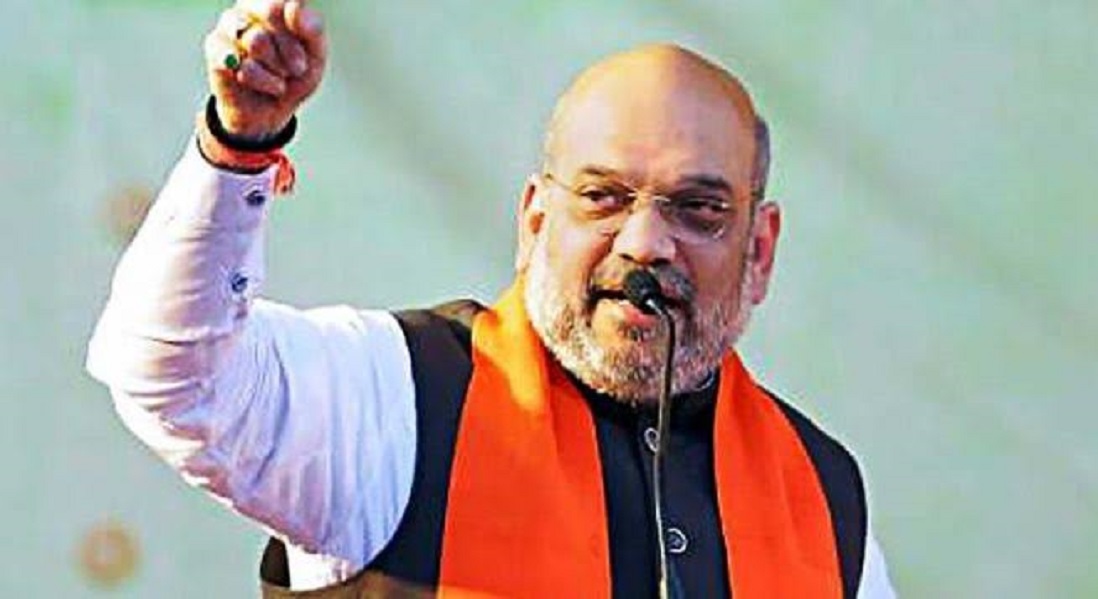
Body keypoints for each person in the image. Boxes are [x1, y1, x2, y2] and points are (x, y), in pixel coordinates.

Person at [86, 0, 896, 596]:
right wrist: (238, 147)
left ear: (759, 250)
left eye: (698, 209)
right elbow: (171, 376)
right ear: (535, 220)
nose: (647, 243)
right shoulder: (399, 398)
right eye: (603, 198)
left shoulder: (822, 495)